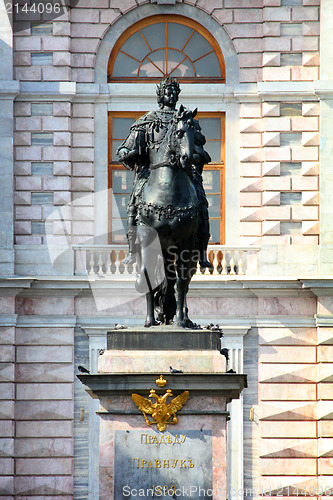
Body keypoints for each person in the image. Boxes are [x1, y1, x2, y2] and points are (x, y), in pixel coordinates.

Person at [117, 77, 212, 268]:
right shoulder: (146, 121)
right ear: (161, 95)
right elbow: (123, 148)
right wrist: (128, 153)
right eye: (167, 92)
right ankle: (131, 251)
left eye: (174, 92)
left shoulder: (188, 122)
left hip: (184, 174)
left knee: (201, 201)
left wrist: (195, 157)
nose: (171, 95)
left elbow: (199, 149)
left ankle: (202, 253)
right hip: (150, 174)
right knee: (135, 202)